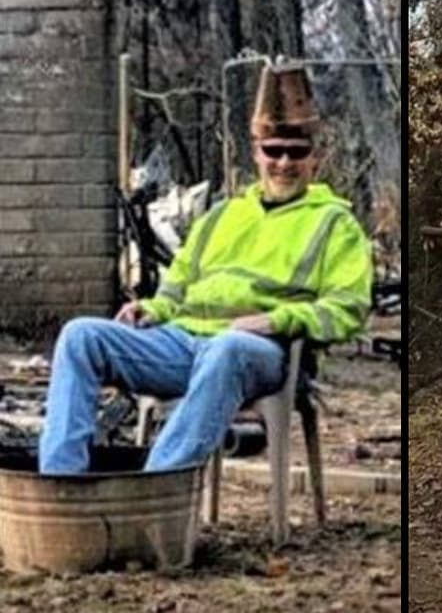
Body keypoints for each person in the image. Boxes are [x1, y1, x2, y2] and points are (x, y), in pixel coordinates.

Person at [39, 63, 373, 474]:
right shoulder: (221, 216)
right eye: (273, 151)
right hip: (184, 342)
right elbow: (177, 287)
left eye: (296, 152)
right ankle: (60, 482)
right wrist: (153, 309)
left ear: (314, 159)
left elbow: (348, 309)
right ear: (257, 153)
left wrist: (276, 320)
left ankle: (158, 486)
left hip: (265, 354)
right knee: (81, 336)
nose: (284, 162)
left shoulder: (335, 224)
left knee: (227, 349)